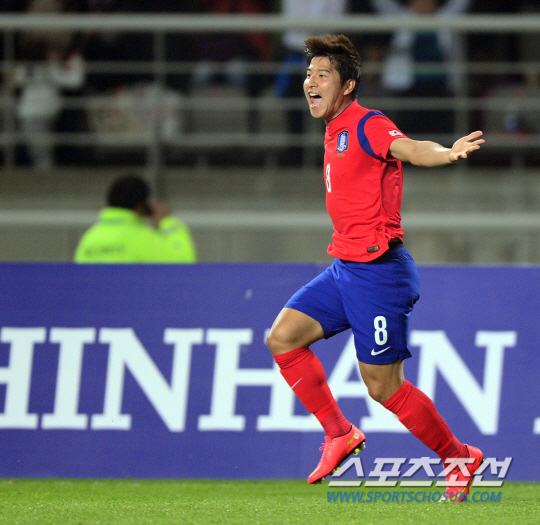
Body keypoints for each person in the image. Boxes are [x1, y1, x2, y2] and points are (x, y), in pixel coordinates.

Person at [266, 34, 484, 502]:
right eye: (308, 74)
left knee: (383, 388)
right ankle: (339, 433)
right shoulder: (332, 127)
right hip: (346, 267)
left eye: (322, 75)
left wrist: (445, 152)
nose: (310, 82)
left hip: (380, 272)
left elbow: (410, 148)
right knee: (283, 338)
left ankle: (458, 457)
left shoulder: (367, 123)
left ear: (348, 85)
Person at [74, 175, 197, 263]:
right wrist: (167, 222)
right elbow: (184, 262)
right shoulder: (144, 238)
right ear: (141, 206)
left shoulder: (90, 238)